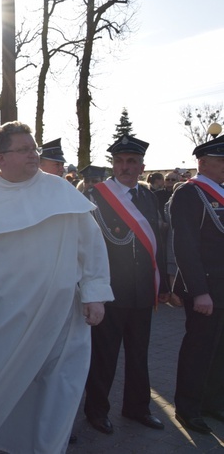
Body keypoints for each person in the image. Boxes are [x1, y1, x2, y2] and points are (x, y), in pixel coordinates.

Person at [0, 121, 113, 454]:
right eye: (24, 150)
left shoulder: (62, 192)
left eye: (33, 148)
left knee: (58, 389)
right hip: (3, 317)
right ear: (0, 157)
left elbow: (91, 245)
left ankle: (48, 448)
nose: (33, 155)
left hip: (62, 316)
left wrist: (94, 293)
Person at [84, 135, 170, 434]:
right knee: (104, 356)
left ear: (142, 166)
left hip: (143, 289)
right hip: (110, 290)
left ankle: (137, 408)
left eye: (131, 162)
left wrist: (164, 285)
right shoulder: (96, 196)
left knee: (139, 353)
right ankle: (96, 410)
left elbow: (159, 242)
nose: (125, 167)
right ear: (113, 165)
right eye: (119, 161)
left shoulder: (148, 196)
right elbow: (88, 245)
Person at [171, 136, 224, 434]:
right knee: (199, 350)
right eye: (222, 161)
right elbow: (185, 246)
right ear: (203, 163)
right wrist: (199, 290)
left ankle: (211, 402)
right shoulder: (189, 194)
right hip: (205, 289)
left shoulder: (221, 192)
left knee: (220, 352)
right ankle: (188, 408)